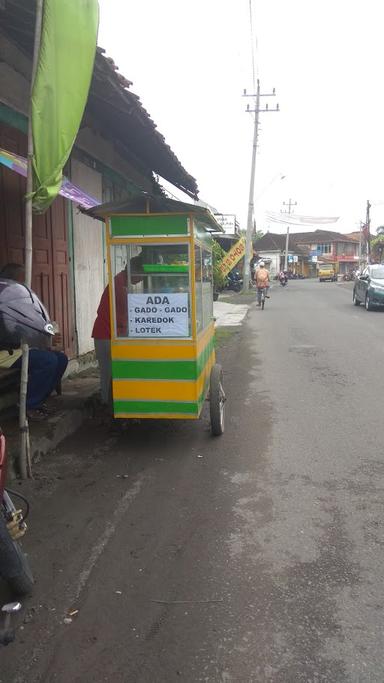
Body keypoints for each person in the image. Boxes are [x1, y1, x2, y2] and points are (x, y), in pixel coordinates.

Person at [0, 263, 68, 420]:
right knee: (48, 361)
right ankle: (29, 406)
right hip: (5, 353)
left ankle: (38, 400)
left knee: (61, 359)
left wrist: (48, 334)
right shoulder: (4, 300)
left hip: (19, 349)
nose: (25, 285)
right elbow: (11, 332)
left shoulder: (19, 299)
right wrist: (39, 336)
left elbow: (32, 323)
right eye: (22, 281)